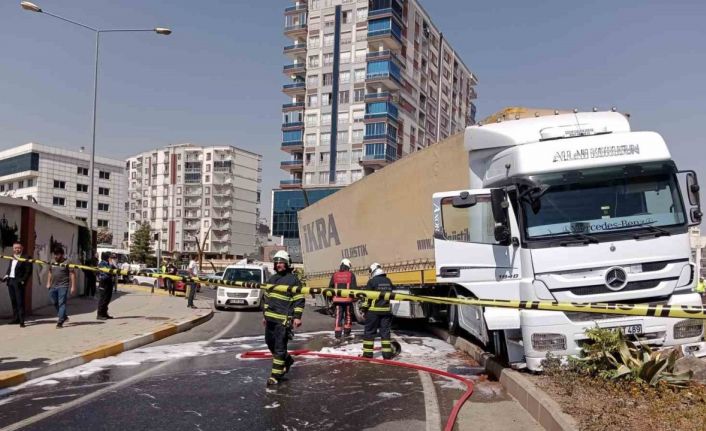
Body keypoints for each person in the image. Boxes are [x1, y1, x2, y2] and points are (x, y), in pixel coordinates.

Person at [263, 250, 304, 386]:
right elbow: (267, 298)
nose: (279, 265)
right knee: (270, 343)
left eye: (281, 262)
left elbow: (299, 299)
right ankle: (287, 360)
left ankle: (275, 375)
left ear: (287, 264)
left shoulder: (293, 280)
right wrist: (265, 315)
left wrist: (297, 317)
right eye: (277, 262)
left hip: (283, 320)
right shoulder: (272, 279)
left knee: (280, 347)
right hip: (270, 319)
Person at [361, 263, 394, 360]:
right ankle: (387, 355)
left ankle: (367, 354)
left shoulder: (372, 281)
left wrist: (364, 309)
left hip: (373, 311)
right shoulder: (388, 281)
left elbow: (368, 297)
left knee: (370, 332)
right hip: (386, 311)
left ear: (373, 270)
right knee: (385, 333)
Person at [3, 241, 32, 327]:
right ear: (13, 249)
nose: (17, 249)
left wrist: (23, 281)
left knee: (20, 301)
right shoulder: (12, 257)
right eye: (15, 248)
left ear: (22, 248)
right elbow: (10, 268)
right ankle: (15, 318)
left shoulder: (26, 257)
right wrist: (6, 275)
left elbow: (28, 271)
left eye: (18, 248)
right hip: (10, 281)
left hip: (18, 282)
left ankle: (22, 321)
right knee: (14, 301)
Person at [47, 246, 76, 328]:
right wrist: (48, 282)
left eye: (58, 254)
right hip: (53, 286)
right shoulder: (52, 261)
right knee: (54, 302)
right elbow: (50, 272)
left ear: (62, 254)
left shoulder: (68, 262)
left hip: (63, 286)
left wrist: (73, 286)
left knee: (62, 303)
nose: (55, 256)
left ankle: (60, 321)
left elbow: (72, 274)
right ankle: (64, 316)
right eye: (54, 254)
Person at [328, 258, 357, 339]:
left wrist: (331, 298)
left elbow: (330, 287)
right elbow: (354, 288)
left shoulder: (335, 275)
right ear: (348, 266)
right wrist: (354, 298)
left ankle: (337, 334)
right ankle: (347, 333)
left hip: (337, 300)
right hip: (347, 300)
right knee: (348, 316)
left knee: (338, 317)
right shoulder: (351, 275)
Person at [96, 252, 116, 320]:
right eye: (110, 257)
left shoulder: (108, 263)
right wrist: (110, 264)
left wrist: (113, 264)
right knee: (103, 299)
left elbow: (115, 270)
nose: (111, 258)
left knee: (108, 298)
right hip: (103, 282)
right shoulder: (102, 263)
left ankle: (105, 313)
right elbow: (107, 272)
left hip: (109, 282)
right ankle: (100, 314)